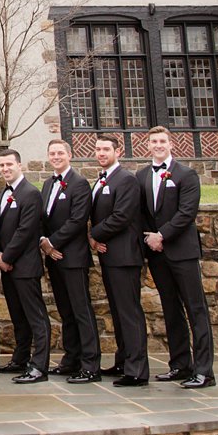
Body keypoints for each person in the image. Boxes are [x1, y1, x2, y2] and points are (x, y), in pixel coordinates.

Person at [137, 126, 215, 388]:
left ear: (171, 144)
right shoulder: (142, 175)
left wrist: (162, 235)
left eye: (162, 141)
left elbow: (186, 212)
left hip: (182, 252)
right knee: (171, 309)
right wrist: (149, 239)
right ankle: (180, 364)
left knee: (196, 309)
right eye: (153, 141)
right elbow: (142, 214)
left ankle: (204, 371)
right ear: (147, 146)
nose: (158, 145)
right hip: (157, 254)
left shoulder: (186, 174)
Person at [89, 135, 149, 387]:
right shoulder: (101, 179)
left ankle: (137, 370)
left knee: (129, 312)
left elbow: (121, 216)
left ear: (118, 151)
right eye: (98, 149)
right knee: (117, 311)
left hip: (125, 256)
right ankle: (124, 360)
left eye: (106, 149)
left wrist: (93, 234)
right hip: (109, 255)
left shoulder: (126, 180)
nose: (101, 153)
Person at [39, 139, 101, 383]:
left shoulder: (79, 183)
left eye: (60, 153)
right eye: (52, 153)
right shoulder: (47, 184)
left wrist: (52, 243)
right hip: (54, 258)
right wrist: (44, 241)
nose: (56, 157)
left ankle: (90, 365)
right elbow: (42, 218)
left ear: (70, 155)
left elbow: (77, 220)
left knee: (81, 311)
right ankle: (70, 359)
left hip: (73, 257)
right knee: (65, 311)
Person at [0, 149, 49, 383]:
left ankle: (39, 366)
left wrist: (7, 257)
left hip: (24, 266)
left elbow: (25, 231)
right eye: (2, 166)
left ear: (20, 165)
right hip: (8, 266)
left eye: (9, 165)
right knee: (18, 317)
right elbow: (1, 228)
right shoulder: (5, 193)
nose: (5, 169)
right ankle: (20, 358)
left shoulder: (30, 194)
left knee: (36, 317)